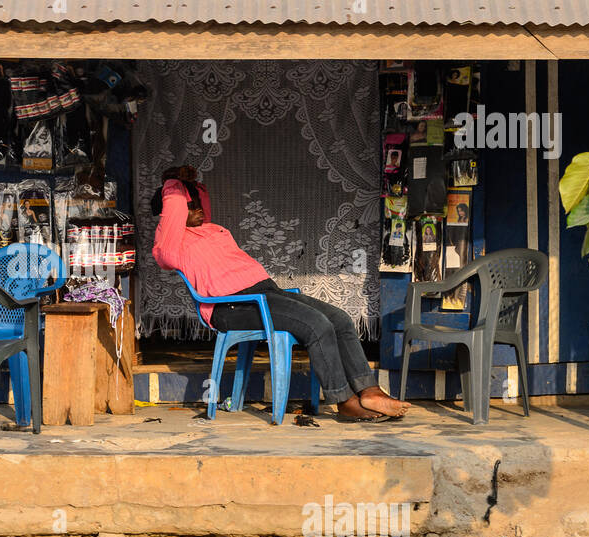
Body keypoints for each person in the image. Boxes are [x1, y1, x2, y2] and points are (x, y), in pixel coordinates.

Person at [152, 167, 409, 422]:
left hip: (264, 293)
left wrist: (191, 184)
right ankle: (344, 400)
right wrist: (172, 182)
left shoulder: (211, 229)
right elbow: (174, 204)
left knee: (339, 319)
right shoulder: (171, 244)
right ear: (172, 214)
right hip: (231, 306)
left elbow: (199, 200)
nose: (198, 210)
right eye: (190, 206)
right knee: (316, 325)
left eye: (197, 204)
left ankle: (370, 391)